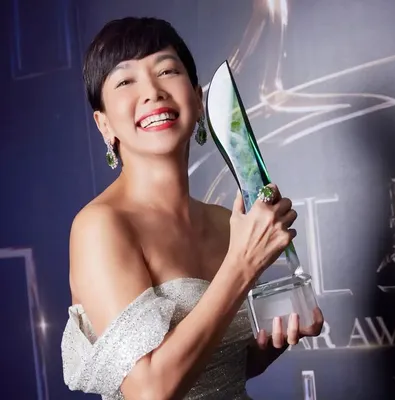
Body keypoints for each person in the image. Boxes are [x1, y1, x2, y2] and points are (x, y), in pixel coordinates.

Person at [61, 16, 324, 400]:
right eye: (125, 81)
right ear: (104, 125)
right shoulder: (100, 226)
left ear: (199, 100)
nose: (152, 92)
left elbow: (218, 368)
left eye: (167, 71)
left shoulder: (225, 222)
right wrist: (241, 265)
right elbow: (148, 391)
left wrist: (273, 342)